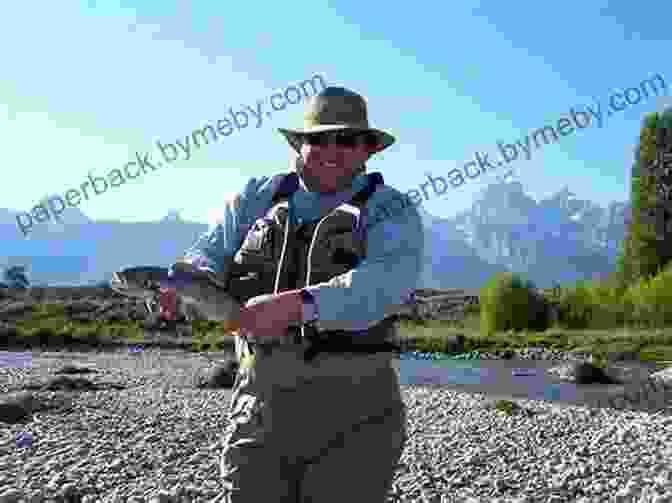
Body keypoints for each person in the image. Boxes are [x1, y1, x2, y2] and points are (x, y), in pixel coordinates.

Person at [166, 86, 424, 502]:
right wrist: (184, 282)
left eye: (347, 139)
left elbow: (385, 283)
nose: (332, 149)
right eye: (319, 138)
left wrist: (299, 305)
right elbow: (207, 253)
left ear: (368, 151)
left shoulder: (391, 210)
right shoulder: (255, 198)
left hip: (358, 410)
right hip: (260, 404)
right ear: (299, 144)